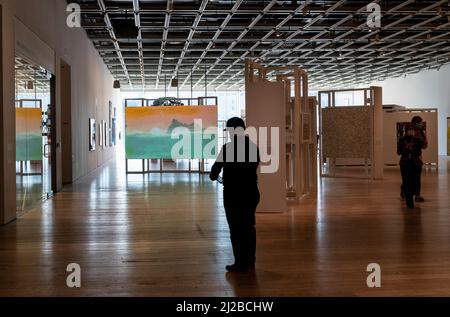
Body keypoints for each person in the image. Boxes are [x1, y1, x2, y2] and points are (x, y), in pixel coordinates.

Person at [210, 117, 260, 273]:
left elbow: (214, 172)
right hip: (251, 193)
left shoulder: (227, 149)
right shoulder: (254, 148)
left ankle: (240, 262)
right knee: (249, 227)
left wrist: (217, 176)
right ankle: (250, 261)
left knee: (235, 229)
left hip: (233, 195)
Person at [397, 116, 428, 209]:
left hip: (416, 160)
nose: (420, 124)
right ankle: (406, 193)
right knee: (406, 180)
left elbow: (424, 145)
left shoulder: (421, 134)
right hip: (405, 161)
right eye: (419, 123)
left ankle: (416, 194)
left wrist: (419, 144)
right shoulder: (403, 138)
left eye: (421, 123)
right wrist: (406, 148)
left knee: (416, 178)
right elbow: (399, 151)